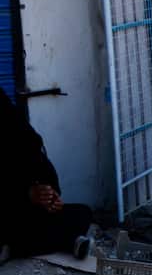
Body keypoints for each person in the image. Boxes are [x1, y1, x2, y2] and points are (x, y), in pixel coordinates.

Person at [0, 90, 95, 263]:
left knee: (82, 213)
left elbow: (37, 159)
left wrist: (50, 195)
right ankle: (66, 241)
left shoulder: (17, 131)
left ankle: (15, 246)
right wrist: (27, 194)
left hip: (20, 211)